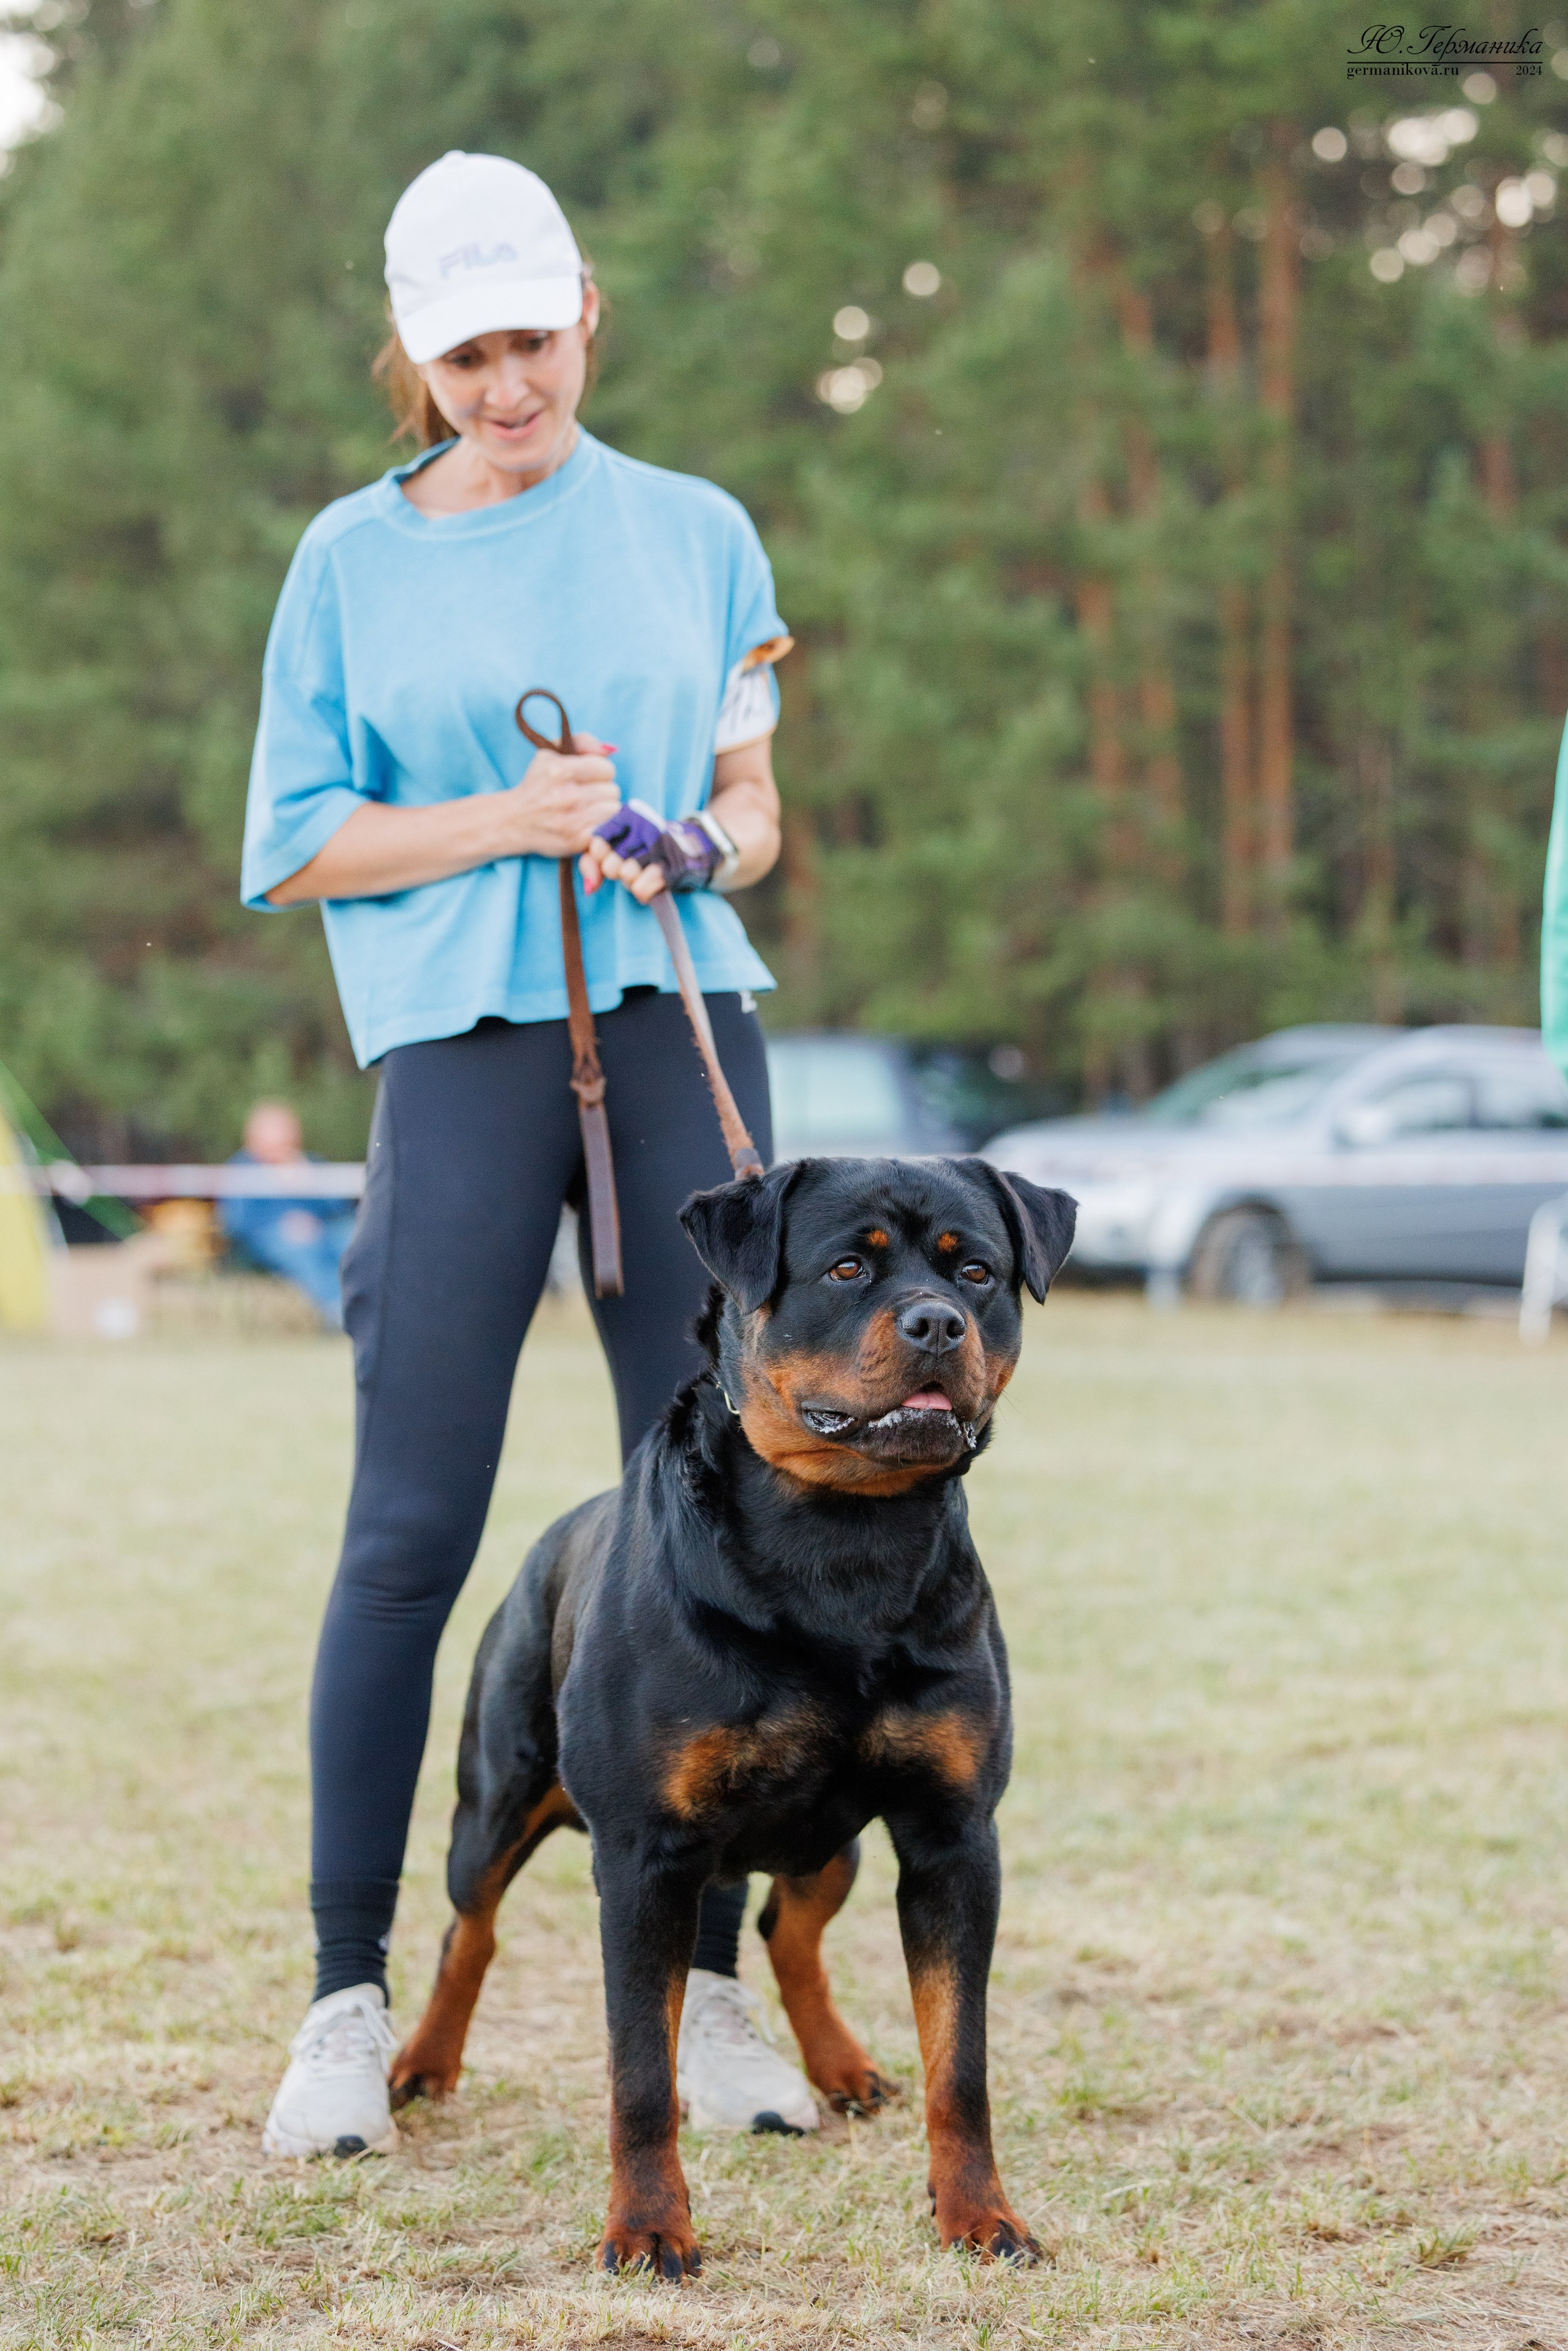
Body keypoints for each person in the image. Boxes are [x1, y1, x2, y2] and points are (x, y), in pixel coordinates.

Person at [240, 150, 818, 2160]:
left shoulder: (696, 529)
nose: (507, 381)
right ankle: (341, 1997)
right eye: (465, 351)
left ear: (587, 308)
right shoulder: (350, 559)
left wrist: (691, 840)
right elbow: (299, 840)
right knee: (408, 1523)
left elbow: (752, 802)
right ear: (415, 355)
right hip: (462, 1059)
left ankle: (721, 1988)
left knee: (724, 1523)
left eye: (532, 335)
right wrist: (502, 818)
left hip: (677, 1020)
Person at [222, 1101, 356, 1329]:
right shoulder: (243, 1168)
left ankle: (367, 1305)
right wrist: (284, 1224)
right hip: (269, 1239)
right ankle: (337, 1311)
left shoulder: (310, 1163)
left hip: (322, 1230)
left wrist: (312, 1183)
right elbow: (236, 1221)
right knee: (303, 1249)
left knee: (354, 1236)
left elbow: (340, 1208)